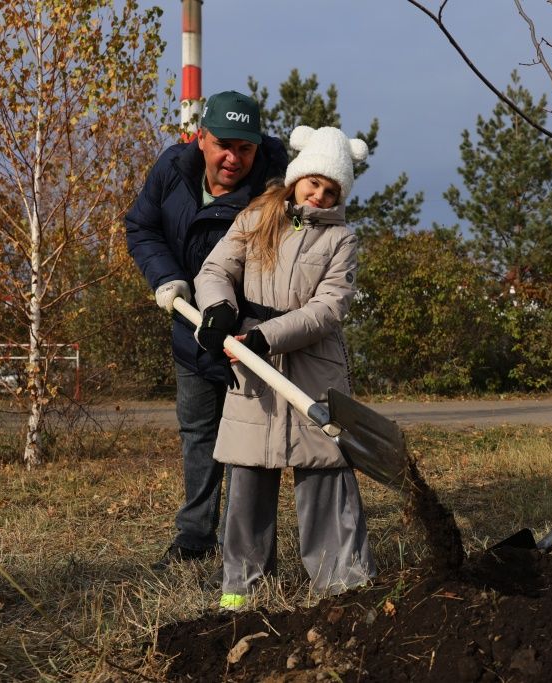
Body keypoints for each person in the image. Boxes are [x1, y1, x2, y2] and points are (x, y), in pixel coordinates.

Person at [193, 125, 375, 610]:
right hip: (252, 363)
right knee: (250, 468)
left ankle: (342, 583)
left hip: (313, 366)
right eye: (314, 181)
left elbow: (327, 310)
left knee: (324, 468)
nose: (319, 193)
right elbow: (215, 271)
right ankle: (241, 586)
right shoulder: (257, 216)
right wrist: (218, 311)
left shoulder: (342, 240)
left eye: (331, 189)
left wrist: (264, 336)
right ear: (297, 178)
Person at [125, 91, 289, 570]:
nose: (232, 158)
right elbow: (141, 226)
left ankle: (242, 547)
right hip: (190, 330)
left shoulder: (277, 187)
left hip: (247, 340)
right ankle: (194, 537)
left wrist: (248, 323)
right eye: (222, 145)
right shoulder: (172, 170)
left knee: (247, 443)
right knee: (198, 433)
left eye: (245, 148)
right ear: (201, 138)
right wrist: (166, 278)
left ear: (258, 149)